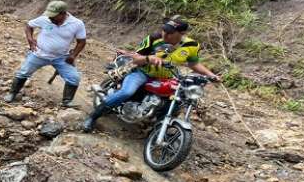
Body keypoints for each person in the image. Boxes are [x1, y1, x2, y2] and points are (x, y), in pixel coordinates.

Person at [83, 16, 220, 132]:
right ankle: (93, 117)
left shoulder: (191, 46)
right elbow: (135, 58)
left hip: (167, 77)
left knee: (177, 101)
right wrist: (149, 58)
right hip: (142, 72)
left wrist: (211, 76)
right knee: (126, 92)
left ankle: (156, 126)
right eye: (164, 30)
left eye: (170, 33)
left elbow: (194, 64)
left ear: (181, 33)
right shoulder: (154, 38)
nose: (164, 34)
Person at [3, 0, 87, 107]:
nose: (50, 18)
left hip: (61, 57)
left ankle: (67, 101)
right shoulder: (45, 19)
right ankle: (12, 93)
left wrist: (73, 55)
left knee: (74, 77)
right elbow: (29, 26)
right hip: (39, 54)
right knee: (23, 72)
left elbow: (81, 42)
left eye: (53, 16)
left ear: (63, 14)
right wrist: (30, 39)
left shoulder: (77, 24)